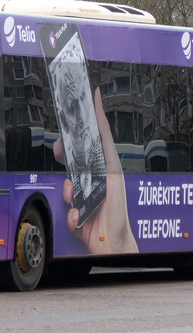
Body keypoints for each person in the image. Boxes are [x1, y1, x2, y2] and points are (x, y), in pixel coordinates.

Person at [54, 87, 138, 254]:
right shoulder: (78, 174)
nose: (82, 115)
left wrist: (120, 243)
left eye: (83, 99)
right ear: (63, 121)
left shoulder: (102, 164)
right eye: (73, 106)